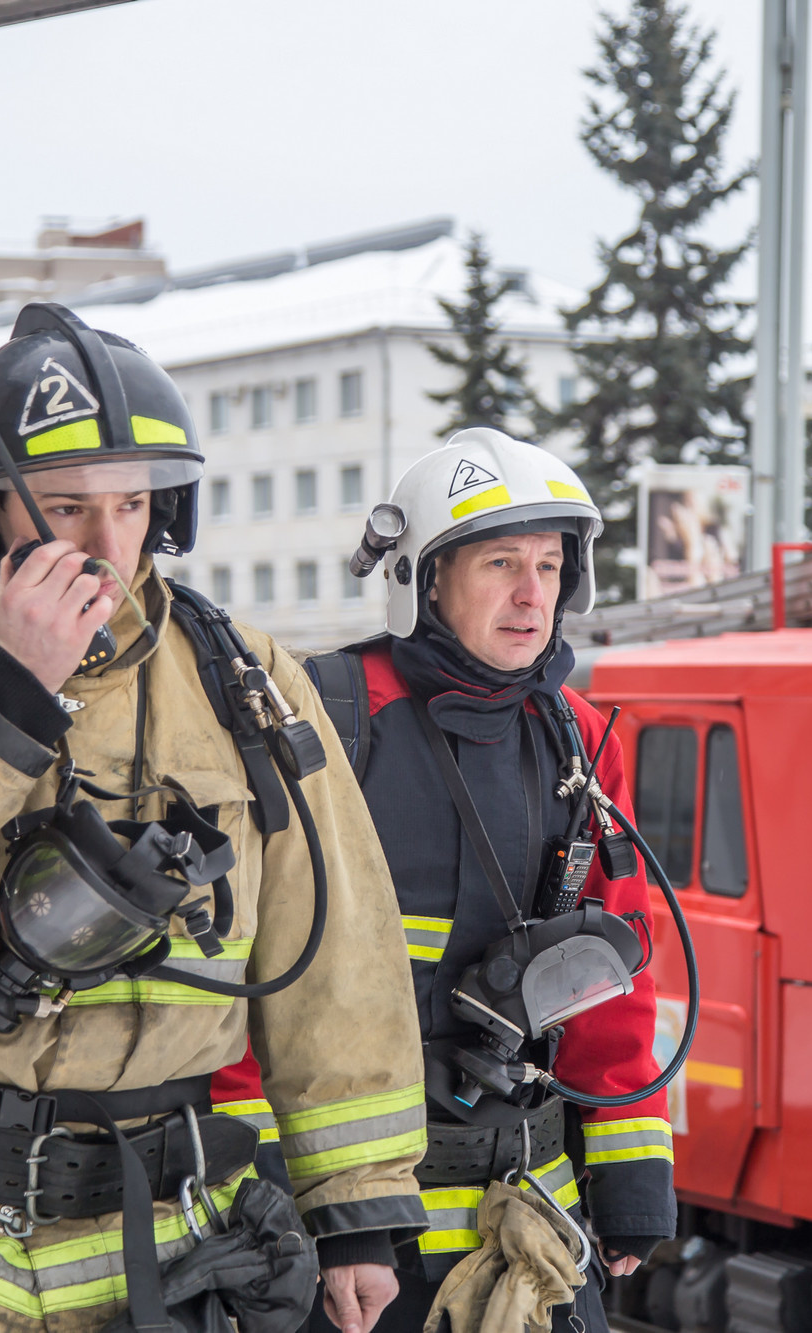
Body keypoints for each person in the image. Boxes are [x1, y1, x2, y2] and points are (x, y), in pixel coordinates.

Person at [0, 303, 426, 1333]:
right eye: (65, 507)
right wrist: (2, 699)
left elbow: (336, 946)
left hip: (164, 1245)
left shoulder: (245, 678)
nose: (108, 543)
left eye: (135, 504)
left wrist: (354, 1203)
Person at [229, 428, 678, 1333]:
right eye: (500, 562)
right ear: (425, 578)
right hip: (354, 1238)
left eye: (549, 566)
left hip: (530, 1225)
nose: (530, 594)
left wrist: (632, 1164)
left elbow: (613, 965)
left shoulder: (582, 740)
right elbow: (251, 968)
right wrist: (273, 1195)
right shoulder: (326, 720)